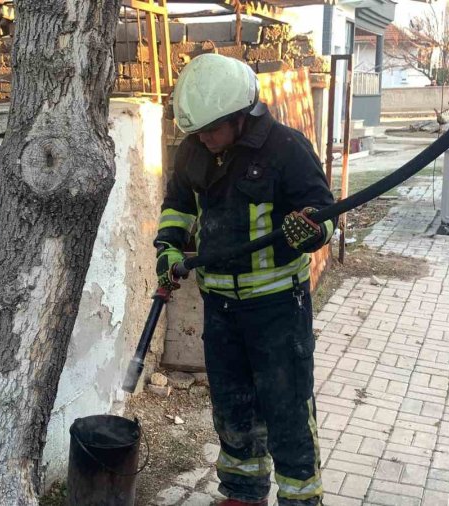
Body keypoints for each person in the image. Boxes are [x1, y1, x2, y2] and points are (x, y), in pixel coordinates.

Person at [155, 53, 334, 506]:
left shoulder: (286, 149)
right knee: (232, 410)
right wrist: (168, 248)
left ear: (242, 116)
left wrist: (312, 229)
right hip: (221, 309)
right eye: (198, 131)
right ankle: (242, 495)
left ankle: (300, 498)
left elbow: (324, 211)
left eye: (212, 129)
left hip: (277, 311)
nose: (204, 138)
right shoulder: (194, 152)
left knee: (287, 410)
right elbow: (178, 206)